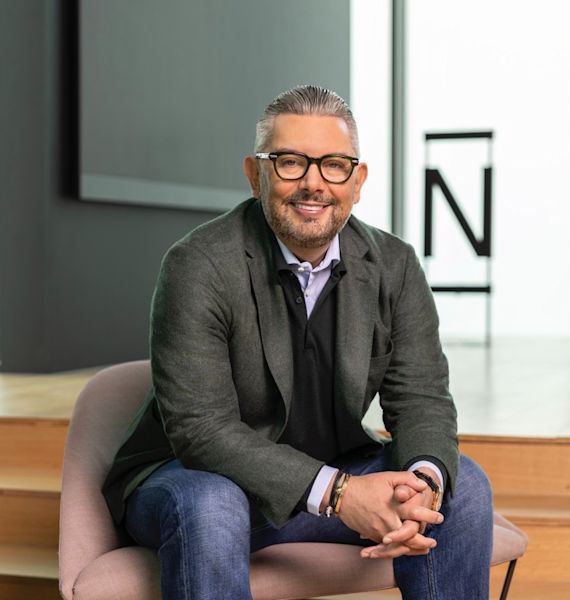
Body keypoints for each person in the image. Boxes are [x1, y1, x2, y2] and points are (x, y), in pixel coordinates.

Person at [102, 85, 493, 599]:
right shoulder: (198, 265)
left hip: (334, 467)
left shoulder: (394, 265)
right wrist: (340, 493)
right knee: (210, 506)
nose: (313, 184)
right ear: (254, 174)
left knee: (462, 488)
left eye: (334, 165)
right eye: (289, 162)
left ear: (358, 180)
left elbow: (421, 398)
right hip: (200, 479)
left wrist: (421, 484)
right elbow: (201, 431)